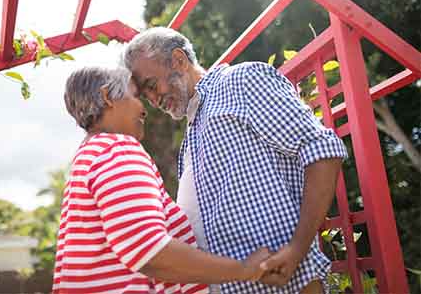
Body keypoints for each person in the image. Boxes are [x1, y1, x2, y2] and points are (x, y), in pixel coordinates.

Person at [123, 27, 348, 294]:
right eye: (145, 95)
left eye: (151, 85)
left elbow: (322, 148)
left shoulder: (240, 80)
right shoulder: (189, 141)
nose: (153, 100)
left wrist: (296, 250)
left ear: (179, 60)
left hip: (285, 285)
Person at [52, 66, 272, 294]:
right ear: (108, 97)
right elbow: (150, 251)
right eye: (135, 96)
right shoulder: (116, 150)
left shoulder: (89, 156)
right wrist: (244, 270)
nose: (145, 110)